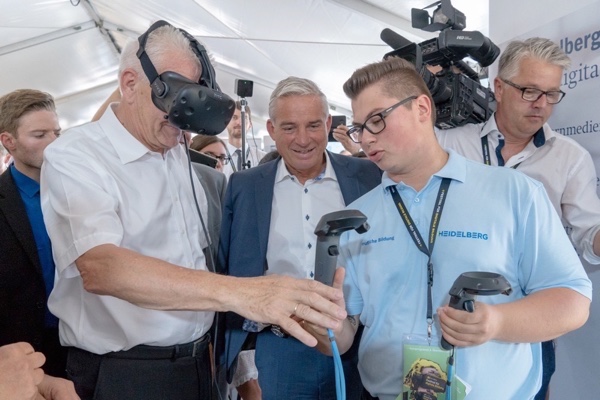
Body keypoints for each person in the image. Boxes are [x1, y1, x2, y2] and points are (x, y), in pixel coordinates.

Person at [40, 22, 347, 400]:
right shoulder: (76, 155)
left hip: (198, 368)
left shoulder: (177, 155)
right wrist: (246, 294)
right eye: (176, 93)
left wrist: (234, 364)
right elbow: (101, 267)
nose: (184, 114)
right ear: (130, 84)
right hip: (126, 374)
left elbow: (200, 262)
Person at [310, 57, 591, 400]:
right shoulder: (356, 218)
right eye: (359, 128)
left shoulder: (514, 193)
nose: (366, 138)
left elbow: (572, 301)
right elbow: (344, 336)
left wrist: (497, 322)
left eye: (377, 120)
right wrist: (327, 327)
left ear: (421, 108)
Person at [435, 37, 600, 399]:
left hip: (529, 322)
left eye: (551, 94)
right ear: (499, 87)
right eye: (530, 91)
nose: (541, 104)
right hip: (449, 315)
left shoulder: (570, 158)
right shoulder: (448, 145)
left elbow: (589, 236)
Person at [219, 76, 381, 400]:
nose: (303, 139)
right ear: (271, 129)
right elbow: (229, 267)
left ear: (328, 124)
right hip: (279, 351)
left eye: (313, 125)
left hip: (358, 344)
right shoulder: (244, 186)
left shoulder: (368, 176)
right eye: (290, 127)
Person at [0, 89, 69, 378]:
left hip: (86, 342)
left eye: (57, 133)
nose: (53, 143)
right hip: (22, 350)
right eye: (39, 135)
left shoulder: (79, 190)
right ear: (9, 141)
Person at [221, 101, 266, 178]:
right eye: (234, 117)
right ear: (226, 123)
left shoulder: (262, 158)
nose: (239, 122)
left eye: (244, 118)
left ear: (250, 124)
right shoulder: (218, 158)